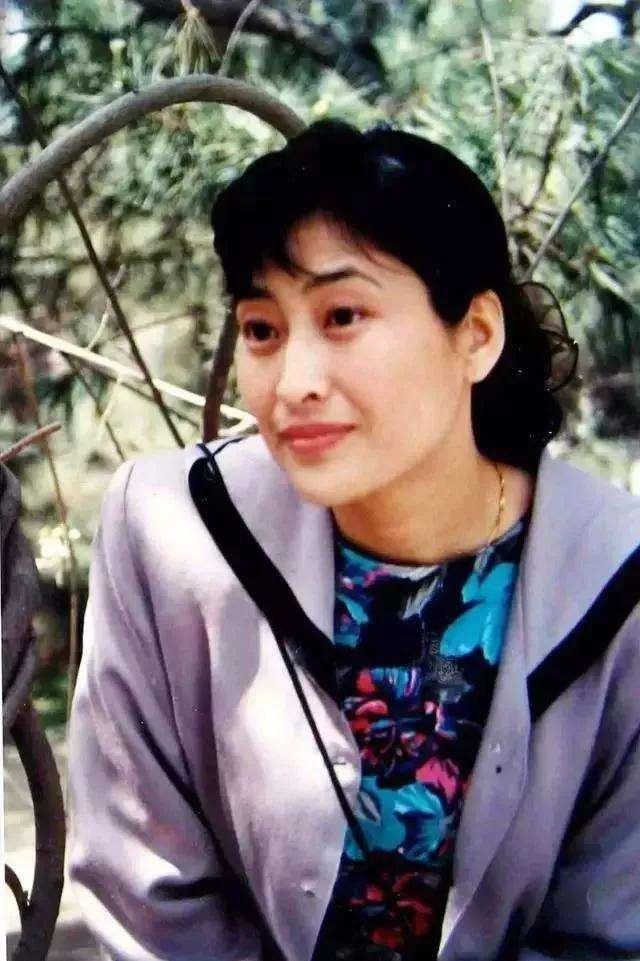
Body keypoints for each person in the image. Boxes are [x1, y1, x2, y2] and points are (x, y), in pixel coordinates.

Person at [68, 120, 640, 961]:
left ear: (477, 335)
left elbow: (615, 926)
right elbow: (145, 898)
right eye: (262, 329)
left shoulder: (615, 578)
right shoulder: (174, 529)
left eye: (343, 315)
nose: (293, 382)